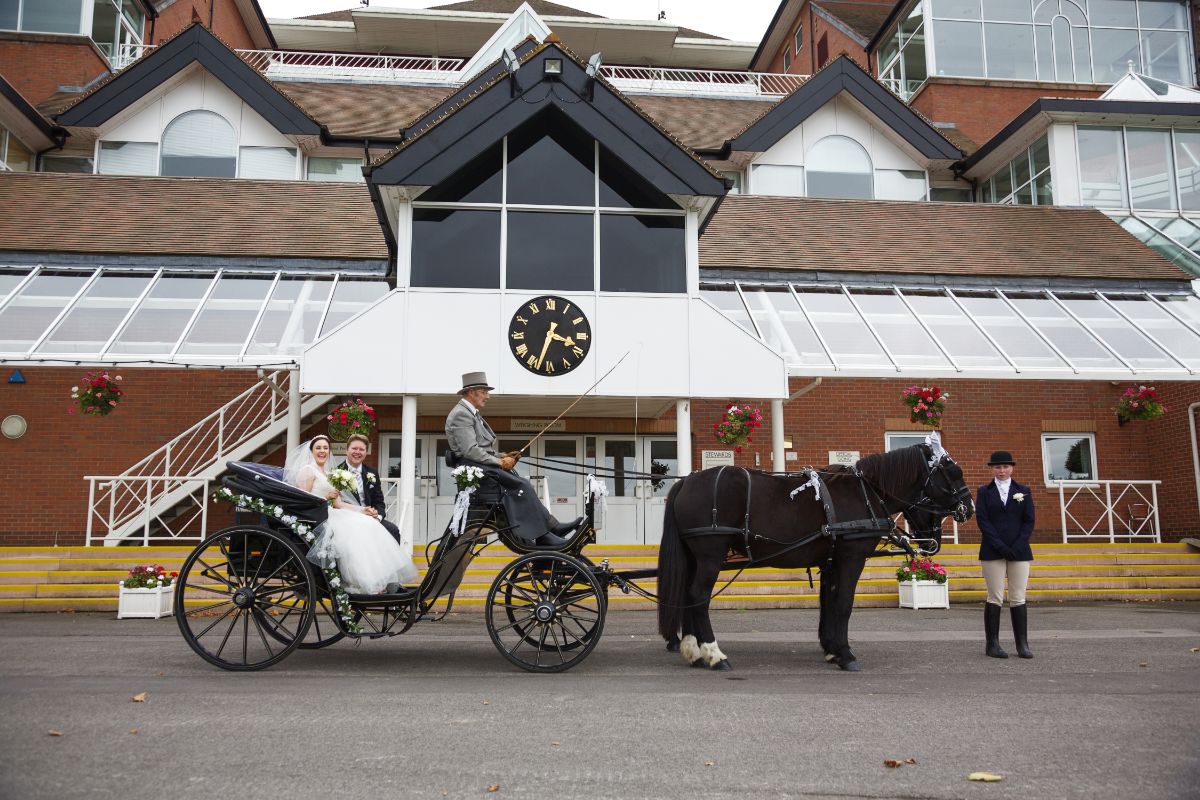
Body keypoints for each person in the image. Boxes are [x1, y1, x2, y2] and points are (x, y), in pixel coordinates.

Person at [444, 371, 582, 547]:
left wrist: (503, 456)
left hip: (482, 467)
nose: (488, 396)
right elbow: (470, 450)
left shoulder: (470, 413)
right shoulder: (461, 414)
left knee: (521, 484)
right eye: (485, 391)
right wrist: (500, 462)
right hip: (478, 469)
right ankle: (548, 532)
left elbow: (481, 449)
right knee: (521, 486)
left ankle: (547, 531)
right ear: (472, 392)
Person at [284, 435, 418, 594]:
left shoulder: (329, 473)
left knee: (373, 525)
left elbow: (339, 503)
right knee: (359, 530)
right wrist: (326, 498)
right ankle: (363, 581)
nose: (322, 451)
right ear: (311, 451)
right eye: (318, 448)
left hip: (338, 511)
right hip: (323, 516)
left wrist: (364, 510)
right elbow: (304, 500)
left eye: (325, 448)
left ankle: (387, 581)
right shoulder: (308, 470)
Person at [975, 450, 1035, 659]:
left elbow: (1029, 521)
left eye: (1005, 467)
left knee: (1018, 597)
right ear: (992, 469)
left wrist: (1018, 545)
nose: (1001, 471)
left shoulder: (1023, 491)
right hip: (993, 550)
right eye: (998, 467)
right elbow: (983, 521)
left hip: (1019, 550)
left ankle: (1022, 644)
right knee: (995, 596)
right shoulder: (984, 492)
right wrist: (1000, 546)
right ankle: (992, 644)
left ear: (1012, 468)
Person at [335, 433, 400, 545]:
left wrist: (377, 517)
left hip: (371, 519)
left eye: (362, 449)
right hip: (347, 519)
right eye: (354, 448)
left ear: (366, 452)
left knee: (393, 530)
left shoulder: (372, 472)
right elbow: (335, 504)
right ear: (346, 450)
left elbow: (379, 502)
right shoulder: (336, 473)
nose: (358, 452)